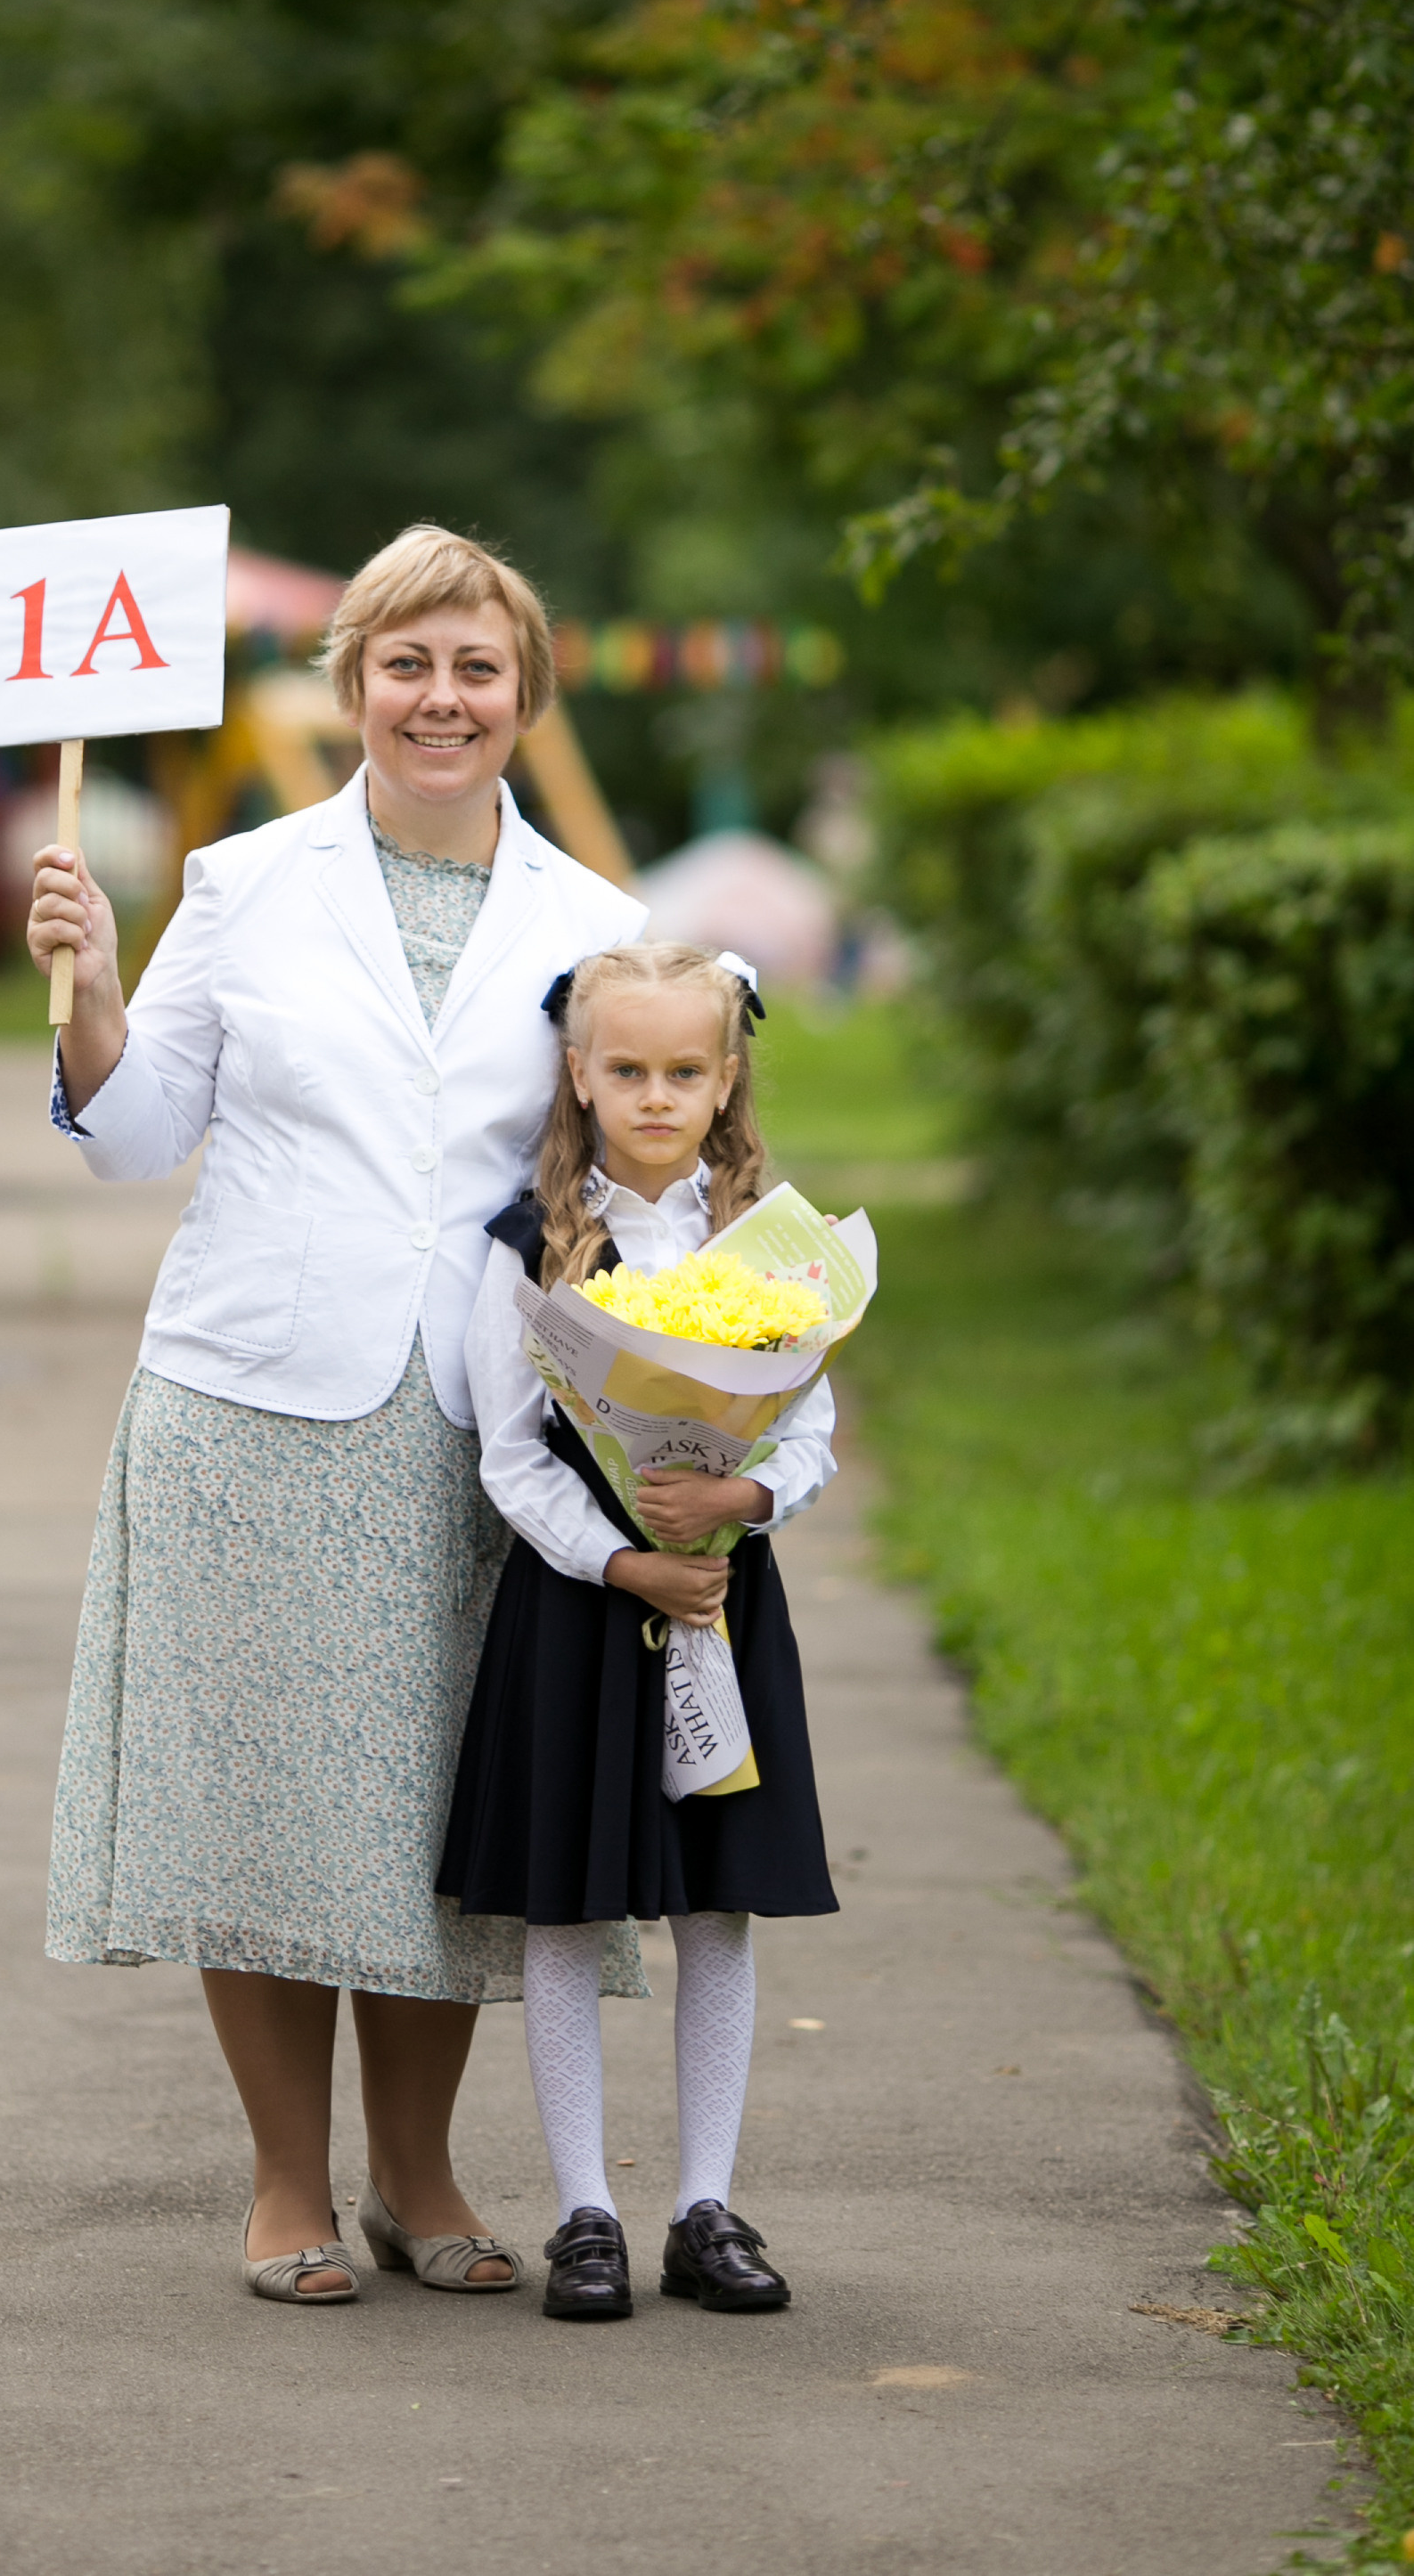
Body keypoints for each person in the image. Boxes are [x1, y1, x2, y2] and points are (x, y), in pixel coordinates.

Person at [26, 526, 649, 2304]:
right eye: (404, 664)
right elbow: (140, 1136)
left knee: (440, 1815)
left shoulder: (599, 928)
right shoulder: (237, 883)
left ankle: (425, 2176)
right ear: (351, 684)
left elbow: (631, 1173)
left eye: (473, 667)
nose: (437, 697)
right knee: (265, 1810)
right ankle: (287, 2184)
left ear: (522, 694)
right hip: (249, 1408)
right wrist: (84, 992)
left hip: (479, 1430)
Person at [437, 941, 841, 2320]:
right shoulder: (528, 1245)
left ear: (726, 1078)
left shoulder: (771, 1248)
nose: (655, 1095)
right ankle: (586, 2214)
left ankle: (703, 2206)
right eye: (627, 1070)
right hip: (585, 1609)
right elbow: (510, 1455)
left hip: (723, 1597)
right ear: (578, 1072)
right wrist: (621, 1561)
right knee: (571, 1903)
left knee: (717, 1904)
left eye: (684, 1070)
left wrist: (738, 1498)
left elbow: (814, 1429)